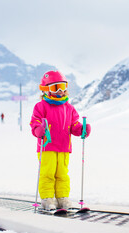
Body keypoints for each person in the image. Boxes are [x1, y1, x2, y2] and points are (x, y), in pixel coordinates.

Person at [30, 70, 91, 210]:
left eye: (63, 87)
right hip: (47, 147)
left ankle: (62, 198)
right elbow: (35, 123)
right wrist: (38, 129)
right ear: (47, 89)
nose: (61, 91)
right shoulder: (41, 106)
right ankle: (47, 199)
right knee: (48, 173)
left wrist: (82, 129)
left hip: (63, 147)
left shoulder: (69, 108)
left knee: (62, 174)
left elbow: (74, 125)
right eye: (56, 87)